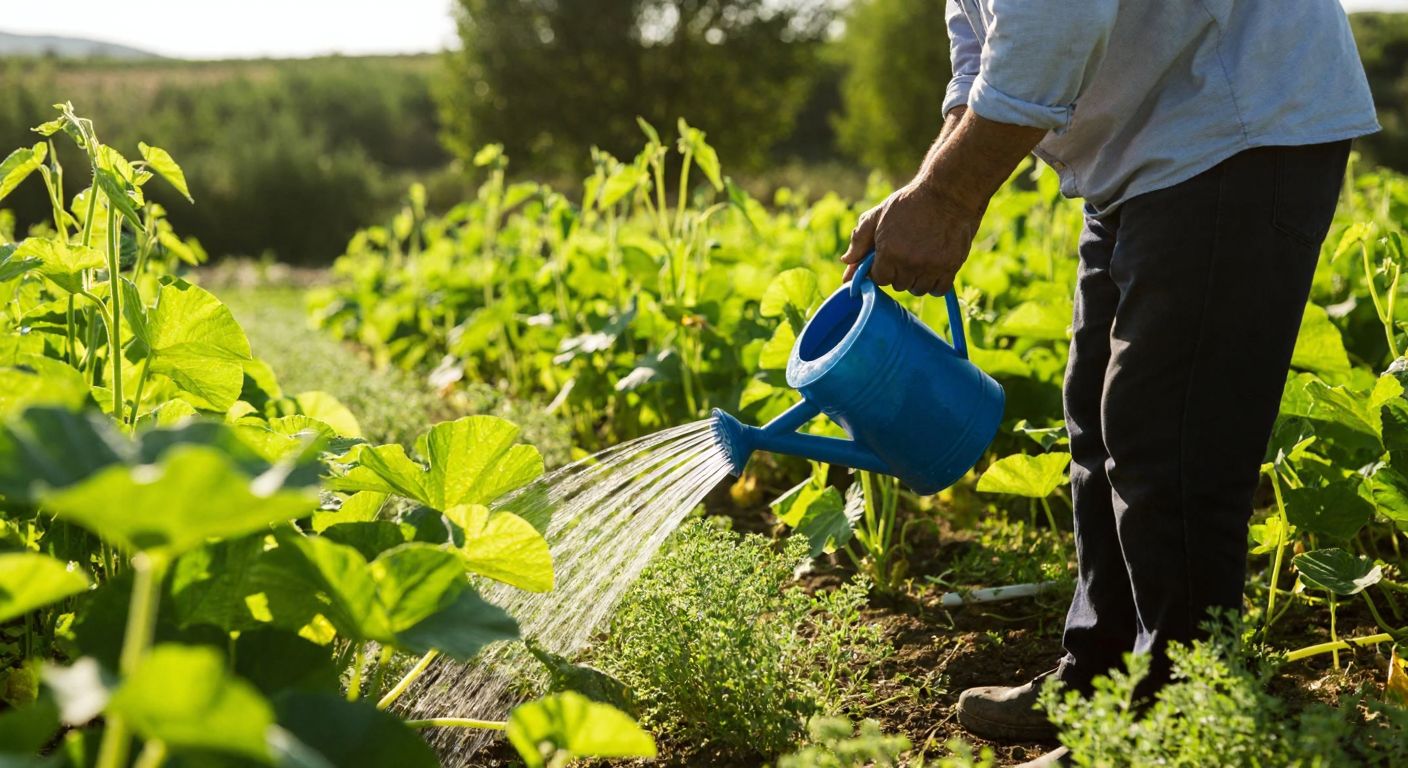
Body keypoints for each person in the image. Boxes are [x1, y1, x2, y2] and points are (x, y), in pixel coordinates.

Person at [840, 2, 1380, 765]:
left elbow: (1055, 17)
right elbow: (981, 42)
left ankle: (1174, 722)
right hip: (1148, 146)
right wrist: (929, 185)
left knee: (1170, 441)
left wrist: (953, 197)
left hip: (1236, 123)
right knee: (1098, 422)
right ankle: (1104, 676)